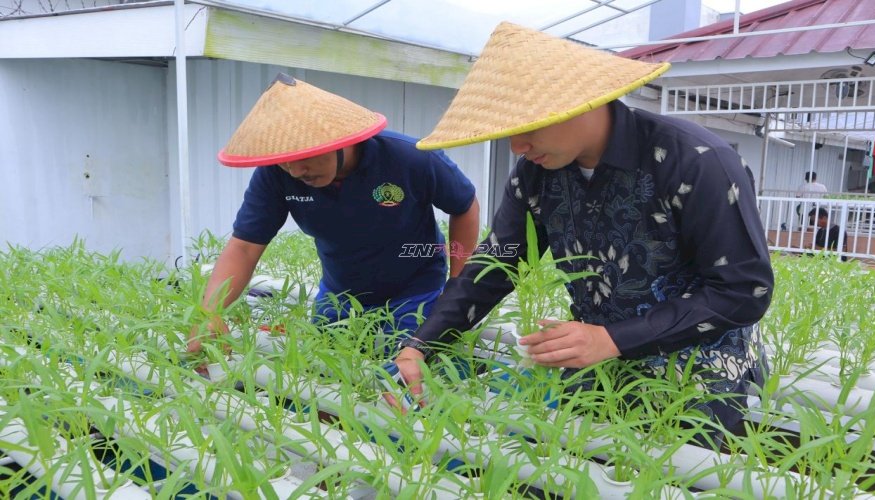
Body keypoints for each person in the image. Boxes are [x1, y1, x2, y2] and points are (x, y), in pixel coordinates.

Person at [387, 22, 774, 439]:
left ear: (584, 102)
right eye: (508, 133)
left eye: (528, 126)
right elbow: (495, 264)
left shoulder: (695, 162)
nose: (517, 146)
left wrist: (614, 339)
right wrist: (422, 345)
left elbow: (742, 291)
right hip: (595, 369)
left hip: (694, 379)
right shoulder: (536, 174)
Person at [187, 73, 480, 354]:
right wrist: (209, 313)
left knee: (407, 383)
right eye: (285, 163)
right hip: (340, 294)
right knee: (328, 382)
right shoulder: (276, 175)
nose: (296, 172)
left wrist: (456, 287)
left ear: (342, 140)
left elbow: (464, 206)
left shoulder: (409, 158)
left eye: (304, 158)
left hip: (415, 292)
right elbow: (245, 246)